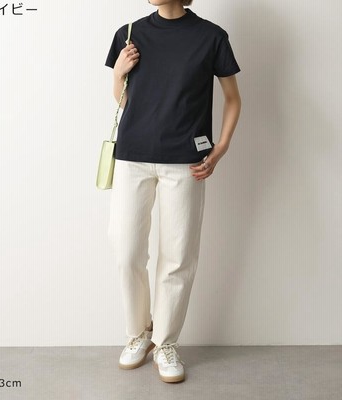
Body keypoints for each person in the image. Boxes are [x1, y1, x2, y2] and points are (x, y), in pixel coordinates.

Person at [105, 0, 241, 383]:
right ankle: (138, 333)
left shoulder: (211, 37)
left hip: (186, 162)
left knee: (178, 256)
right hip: (132, 157)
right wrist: (118, 73)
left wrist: (220, 149)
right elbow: (126, 102)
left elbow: (233, 98)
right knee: (126, 250)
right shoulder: (129, 34)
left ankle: (165, 342)